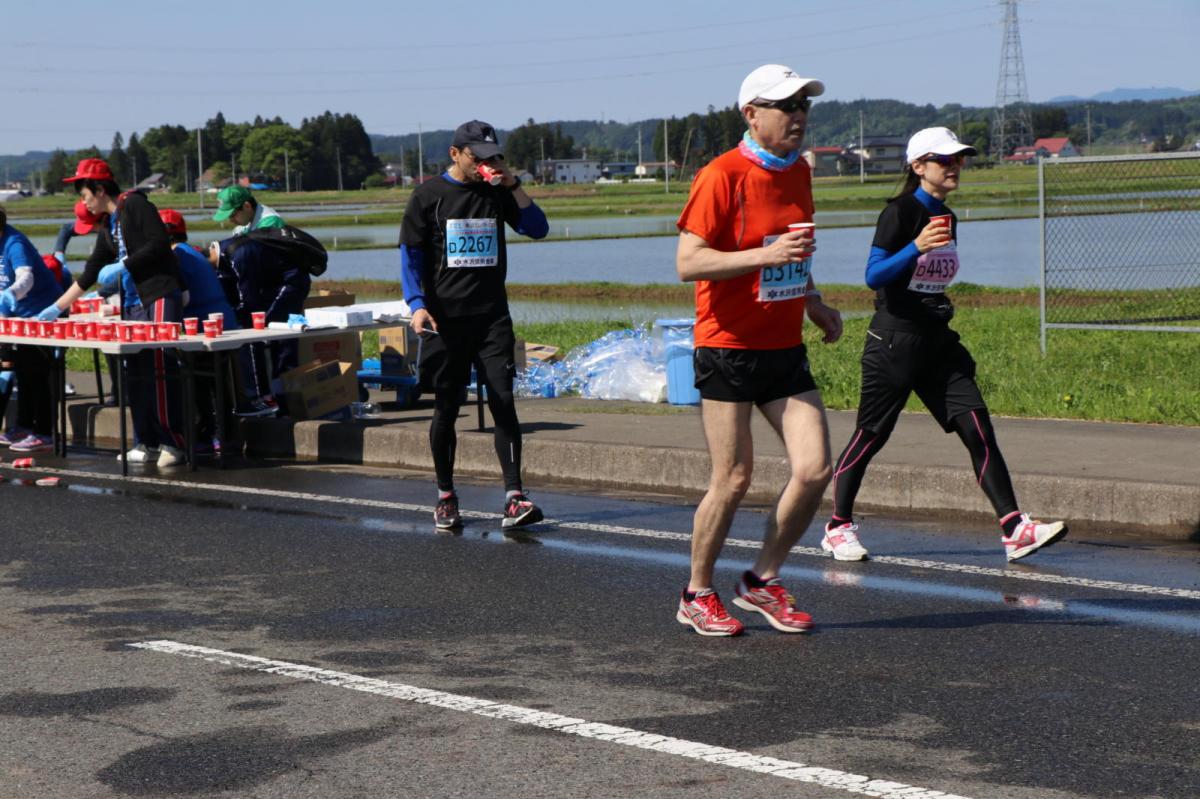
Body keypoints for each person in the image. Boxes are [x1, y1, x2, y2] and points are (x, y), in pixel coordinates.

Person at [823, 127, 1067, 563]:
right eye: (945, 159)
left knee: (978, 430)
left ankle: (1014, 528)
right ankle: (838, 526)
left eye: (959, 159)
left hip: (937, 342)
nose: (955, 166)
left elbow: (929, 279)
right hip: (894, 342)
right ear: (918, 167)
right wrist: (915, 247)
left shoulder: (948, 217)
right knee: (871, 435)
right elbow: (874, 276)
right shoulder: (899, 213)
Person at [673, 64, 843, 636]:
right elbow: (688, 262)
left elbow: (794, 250)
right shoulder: (720, 176)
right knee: (734, 477)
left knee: (816, 468)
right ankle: (697, 593)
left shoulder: (799, 172)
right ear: (751, 114)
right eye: (785, 105)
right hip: (727, 345)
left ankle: (760, 580)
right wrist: (760, 259)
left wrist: (814, 301)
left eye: (804, 105)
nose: (798, 115)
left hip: (782, 345)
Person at [400, 119, 550, 530]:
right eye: (477, 157)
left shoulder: (496, 193)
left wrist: (512, 183)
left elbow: (537, 229)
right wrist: (416, 304)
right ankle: (446, 496)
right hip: (444, 321)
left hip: (492, 318)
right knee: (447, 408)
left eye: (492, 156)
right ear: (455, 154)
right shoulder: (428, 196)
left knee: (504, 402)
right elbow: (410, 257)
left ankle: (514, 498)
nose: (485, 163)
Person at [39, 158, 188, 467]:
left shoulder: (135, 205)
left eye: (84, 195)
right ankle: (145, 441)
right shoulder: (109, 226)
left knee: (160, 368)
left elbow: (160, 244)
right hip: (132, 304)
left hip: (158, 294)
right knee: (135, 373)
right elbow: (90, 272)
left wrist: (124, 264)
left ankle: (173, 442)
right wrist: (57, 307)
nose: (83, 202)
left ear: (100, 188)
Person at [208, 232, 310, 415]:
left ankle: (266, 397)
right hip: (271, 284)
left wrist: (238, 317)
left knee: (270, 335)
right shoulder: (222, 259)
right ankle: (273, 396)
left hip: (291, 283)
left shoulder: (237, 255)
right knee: (254, 330)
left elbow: (248, 299)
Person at [0, 207, 62, 453]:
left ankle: (44, 432)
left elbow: (27, 278)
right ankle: (24, 426)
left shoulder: (14, 243)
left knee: (39, 373)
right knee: (24, 371)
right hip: (17, 317)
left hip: (42, 311)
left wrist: (9, 295)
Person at [212, 185, 284, 236]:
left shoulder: (270, 223)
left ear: (247, 206)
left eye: (233, 215)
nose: (231, 220)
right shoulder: (244, 224)